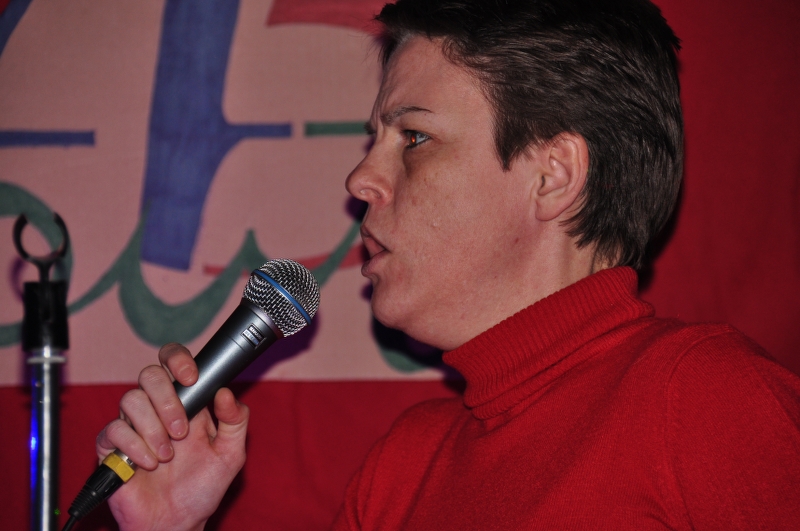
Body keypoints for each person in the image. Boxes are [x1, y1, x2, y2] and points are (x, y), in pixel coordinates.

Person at [95, 0, 800, 529]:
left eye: (414, 137)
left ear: (554, 174)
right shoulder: (403, 468)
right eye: (374, 140)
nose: (360, 179)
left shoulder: (706, 403)